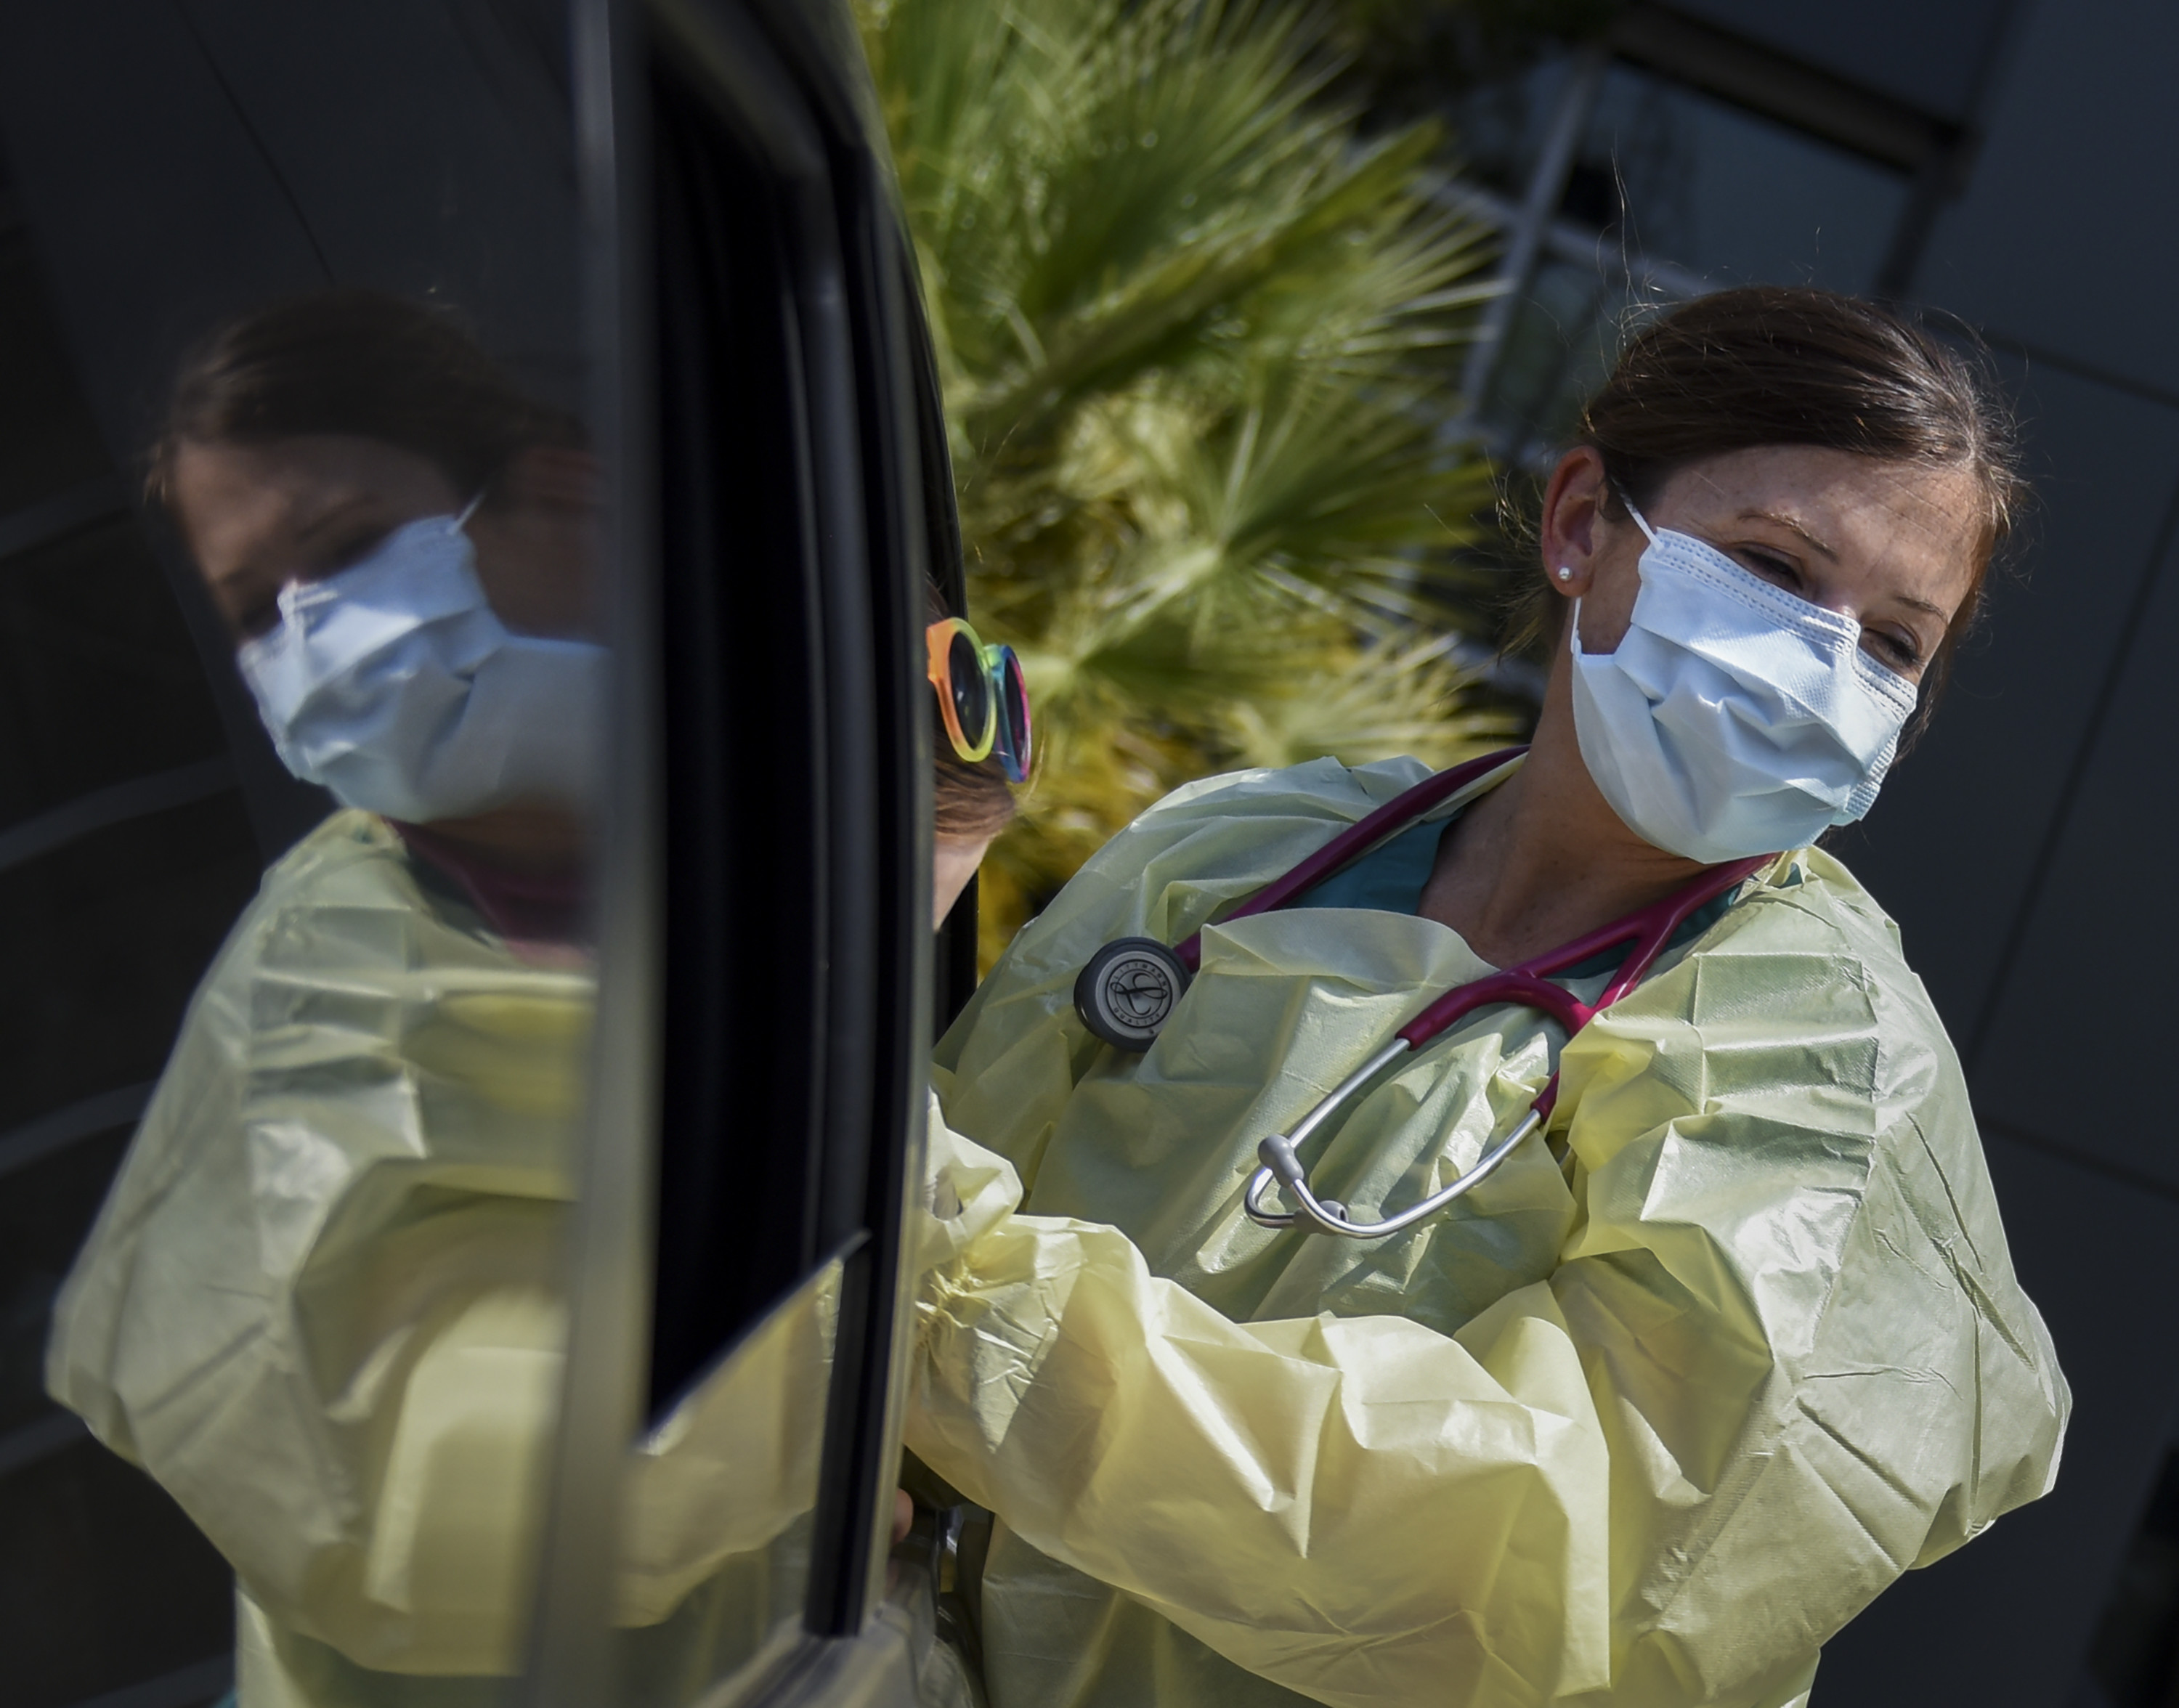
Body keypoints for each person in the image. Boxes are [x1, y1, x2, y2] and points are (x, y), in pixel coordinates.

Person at [902, 286, 2071, 1708]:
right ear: (1583, 524)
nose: (1816, 671)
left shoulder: (1826, 1080)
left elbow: (1523, 1563)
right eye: (1773, 567)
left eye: (1893, 644)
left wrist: (950, 1300)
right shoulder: (1240, 852)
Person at [45, 288, 1013, 1708]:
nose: (314, 637)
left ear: (560, 491)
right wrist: (875, 1367)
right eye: (257, 611)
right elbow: (453, 1492)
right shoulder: (319, 978)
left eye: (345, 550)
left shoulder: (711, 835)